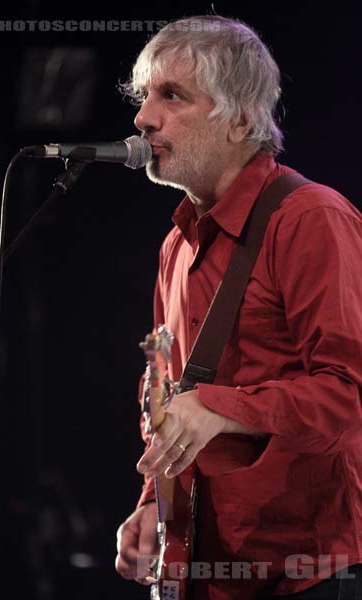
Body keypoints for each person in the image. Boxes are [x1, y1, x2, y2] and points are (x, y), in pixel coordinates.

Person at [115, 14, 362, 600]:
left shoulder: (310, 219)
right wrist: (155, 503)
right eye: (145, 96)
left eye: (171, 96)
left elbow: (349, 390)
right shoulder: (176, 244)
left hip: (307, 572)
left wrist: (222, 409)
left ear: (242, 118)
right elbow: (164, 389)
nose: (143, 117)